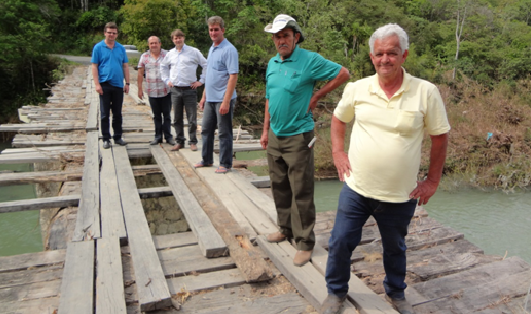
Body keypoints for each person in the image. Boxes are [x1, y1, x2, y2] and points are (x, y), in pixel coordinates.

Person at [322, 24, 451, 314]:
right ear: (371, 56)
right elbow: (338, 120)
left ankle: (396, 292)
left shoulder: (425, 92)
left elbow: (440, 137)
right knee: (341, 241)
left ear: (404, 55)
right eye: (379, 54)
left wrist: (432, 180)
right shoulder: (357, 88)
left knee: (395, 247)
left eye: (392, 53)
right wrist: (338, 151)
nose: (385, 60)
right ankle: (335, 292)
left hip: (400, 194)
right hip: (357, 187)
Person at [260, 14, 350, 267]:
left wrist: (317, 95)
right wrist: (265, 131)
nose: (281, 41)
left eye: (285, 36)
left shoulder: (309, 60)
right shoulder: (273, 63)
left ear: (295, 37)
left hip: (299, 135)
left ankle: (305, 243)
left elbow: (343, 73)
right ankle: (285, 228)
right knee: (279, 186)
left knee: (301, 191)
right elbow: (269, 98)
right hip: (276, 135)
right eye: (277, 37)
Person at [195, 16, 238, 173]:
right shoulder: (212, 48)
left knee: (224, 132)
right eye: (211, 30)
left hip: (223, 98)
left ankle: (225, 164)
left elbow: (233, 76)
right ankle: (206, 159)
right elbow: (210, 76)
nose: (213, 33)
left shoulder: (229, 49)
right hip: (210, 98)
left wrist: (226, 100)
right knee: (206, 129)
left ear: (222, 30)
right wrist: (204, 96)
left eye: (216, 30)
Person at [160, 29, 207, 151]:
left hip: (190, 89)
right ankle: (180, 141)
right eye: (175, 38)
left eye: (180, 37)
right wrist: (166, 80)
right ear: (173, 40)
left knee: (192, 117)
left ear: (183, 38)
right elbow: (163, 67)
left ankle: (192, 141)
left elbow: (206, 64)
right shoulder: (170, 54)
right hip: (175, 89)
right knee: (177, 117)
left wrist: (201, 81)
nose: (178, 40)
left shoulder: (193, 51)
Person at [91, 21, 130, 149]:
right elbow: (94, 66)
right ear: (105, 33)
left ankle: (118, 137)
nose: (111, 35)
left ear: (117, 34)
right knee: (104, 113)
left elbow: (125, 65)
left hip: (118, 84)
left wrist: (127, 83)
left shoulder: (120, 48)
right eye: (109, 32)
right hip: (105, 84)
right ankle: (106, 138)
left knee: (117, 113)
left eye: (114, 33)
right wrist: (97, 84)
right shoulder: (98, 47)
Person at [137, 36, 175, 146]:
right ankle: (158, 137)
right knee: (156, 115)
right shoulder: (144, 57)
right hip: (151, 90)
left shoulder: (167, 55)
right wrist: (139, 89)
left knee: (167, 115)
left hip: (166, 90)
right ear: (148, 45)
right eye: (151, 43)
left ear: (160, 43)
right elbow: (140, 73)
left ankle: (168, 137)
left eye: (155, 43)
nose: (153, 45)